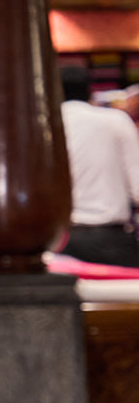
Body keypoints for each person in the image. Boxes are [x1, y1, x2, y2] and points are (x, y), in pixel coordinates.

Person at [59, 66, 139, 267]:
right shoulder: (115, 121)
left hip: (57, 242)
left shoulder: (42, 124)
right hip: (110, 242)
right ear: (90, 92)